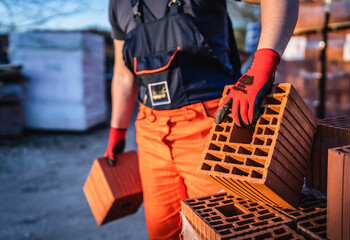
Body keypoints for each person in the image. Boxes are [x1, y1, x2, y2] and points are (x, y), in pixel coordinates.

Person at [104, 0, 299, 239]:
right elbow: (124, 76)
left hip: (210, 128)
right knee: (163, 232)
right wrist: (117, 132)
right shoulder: (118, 4)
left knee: (222, 230)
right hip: (150, 134)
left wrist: (263, 63)